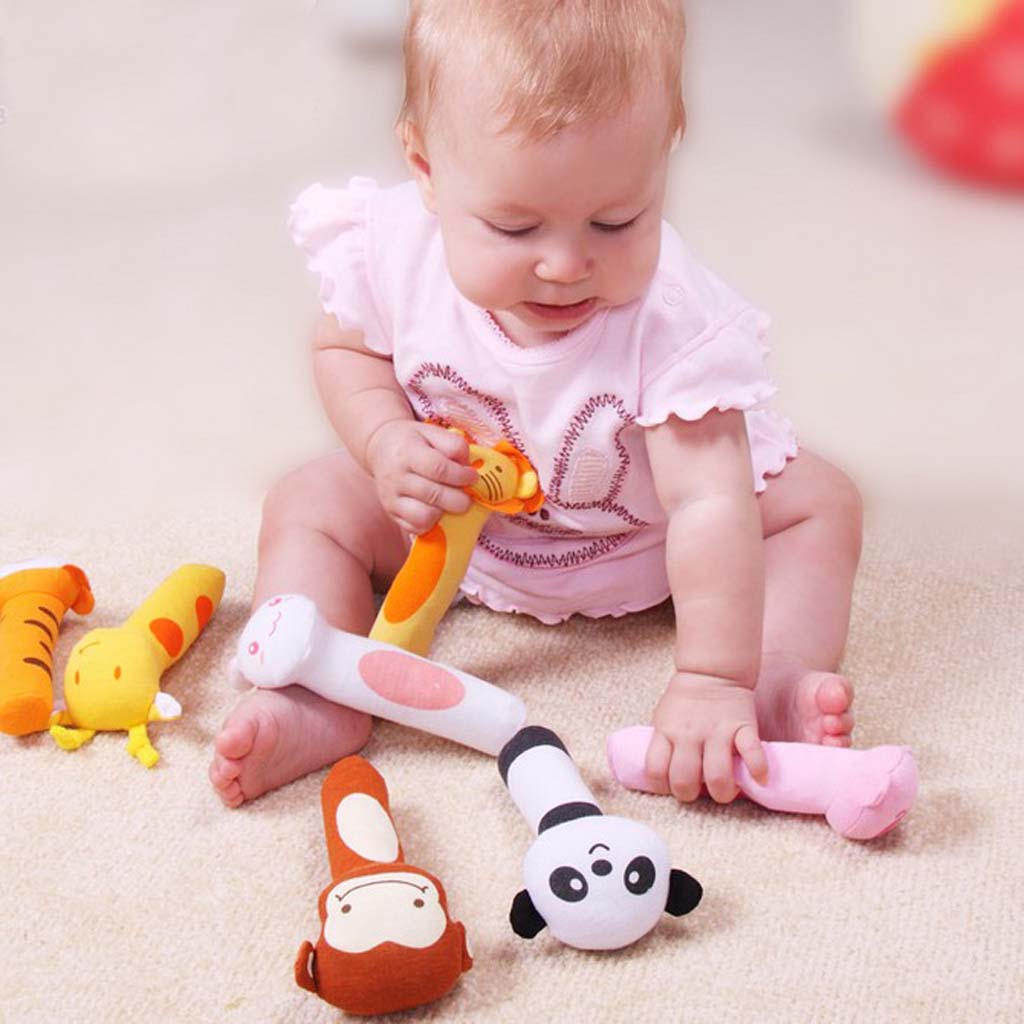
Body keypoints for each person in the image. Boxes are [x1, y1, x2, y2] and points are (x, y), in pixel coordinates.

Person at [210, 0, 862, 809]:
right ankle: (316, 689)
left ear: (664, 150)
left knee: (818, 504)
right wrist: (385, 443)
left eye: (615, 221)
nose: (564, 265)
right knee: (307, 500)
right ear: (425, 169)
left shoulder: (676, 323)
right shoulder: (391, 247)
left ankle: (768, 687)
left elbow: (707, 503)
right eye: (514, 228)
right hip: (455, 523)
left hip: (649, 540)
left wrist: (712, 676)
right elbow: (346, 350)